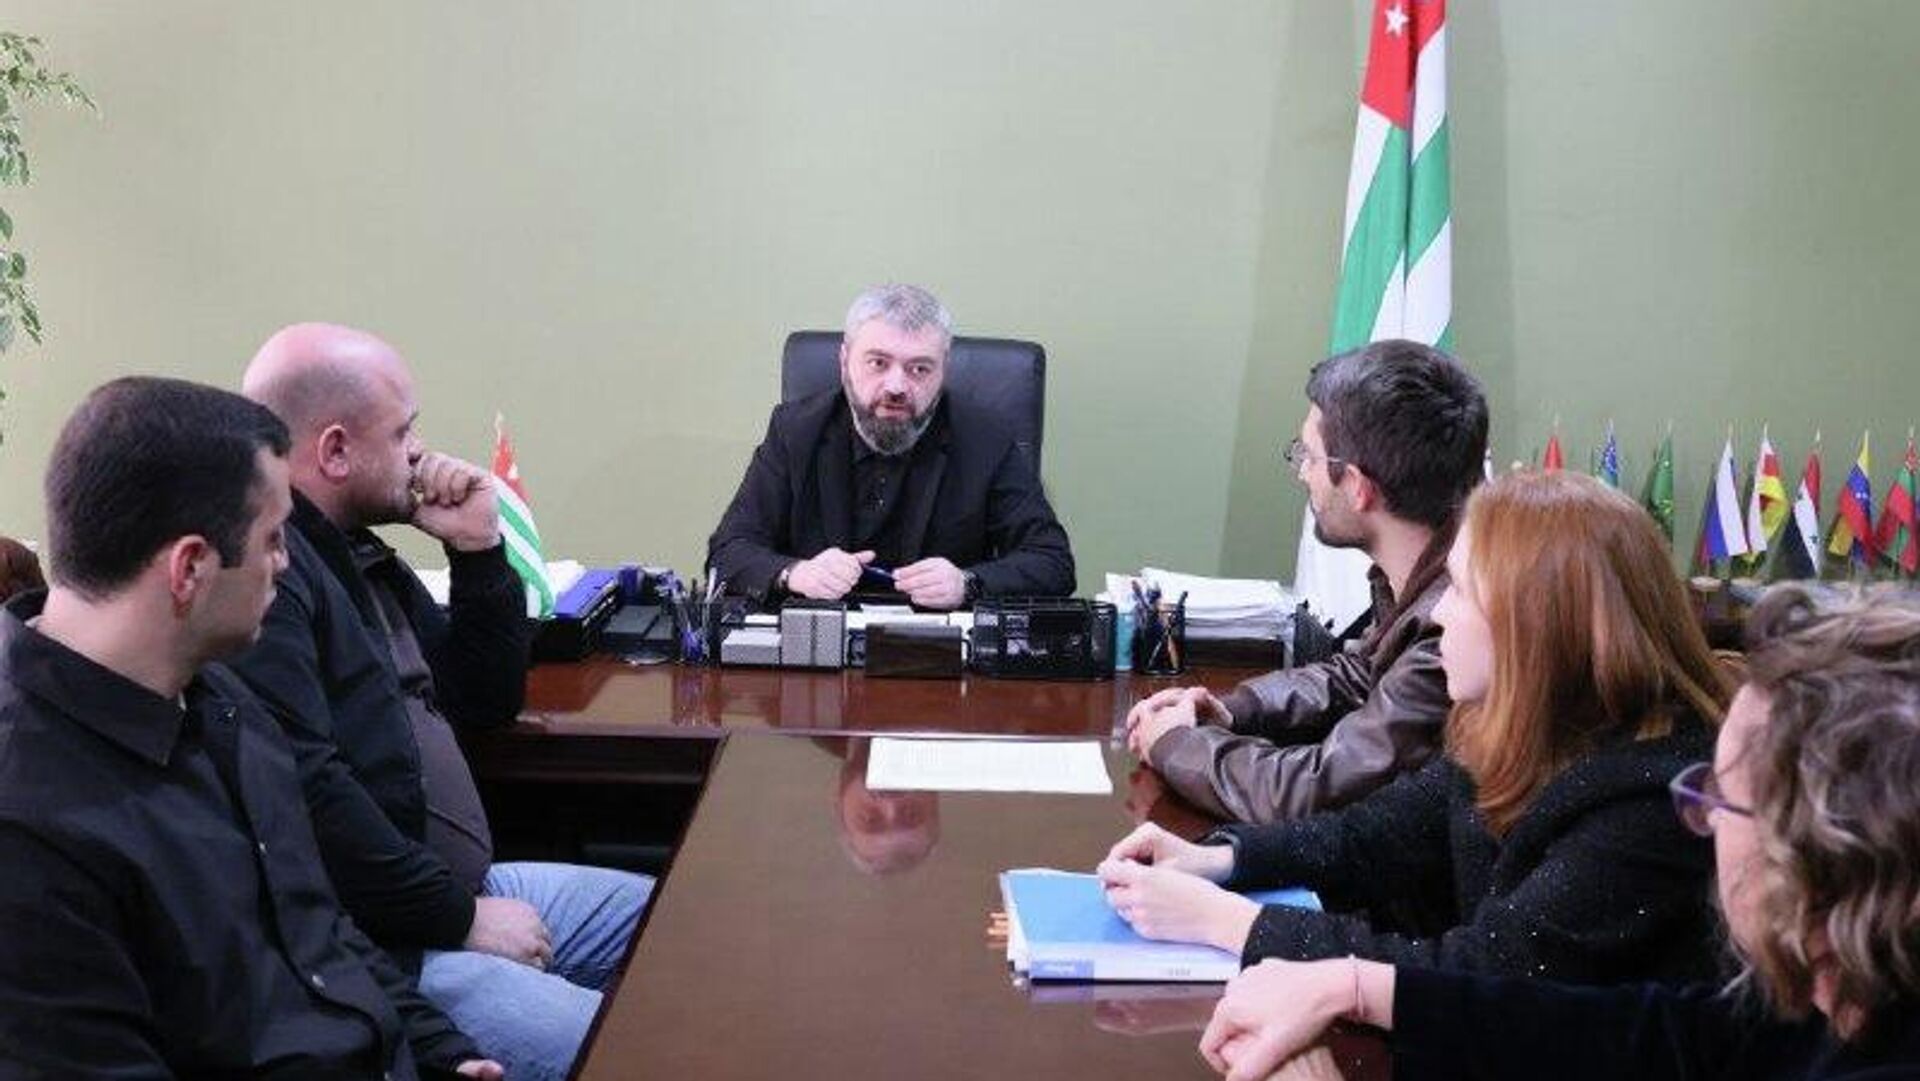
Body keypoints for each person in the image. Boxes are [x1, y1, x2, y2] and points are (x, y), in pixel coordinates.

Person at [1198, 584, 1920, 1081]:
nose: (1701, 819)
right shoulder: (1826, 1003)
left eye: (1721, 796)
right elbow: (1639, 1033)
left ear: (1822, 857)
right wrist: (1352, 986)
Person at [0, 376, 502, 1079]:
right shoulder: (29, 824)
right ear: (190, 568)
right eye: (272, 539)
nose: (286, 563)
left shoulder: (223, 702)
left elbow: (322, 936)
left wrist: (447, 1055)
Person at [1100, 471, 1729, 985]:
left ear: (1538, 627)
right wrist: (1221, 859)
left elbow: (1488, 974)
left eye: (1462, 590)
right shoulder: (1508, 724)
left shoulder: (1654, 801)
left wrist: (1229, 924)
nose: (1441, 615)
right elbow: (1371, 837)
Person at [231, 324, 651, 1081]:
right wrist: (460, 920)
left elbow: (484, 699)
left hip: (461, 892)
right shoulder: (276, 578)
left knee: (690, 923)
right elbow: (310, 793)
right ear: (335, 450)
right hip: (392, 943)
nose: (420, 453)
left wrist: (478, 551)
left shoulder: (358, 552)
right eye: (403, 433)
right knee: (645, 1050)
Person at [1124, 339, 1488, 822]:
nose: (1302, 474)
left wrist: (1175, 744)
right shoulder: (1432, 573)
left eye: (1310, 457)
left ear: (1357, 487)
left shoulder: (1455, 625)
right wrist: (1232, 710)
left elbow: (1314, 790)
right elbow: (1361, 676)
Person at [706, 283, 1075, 610]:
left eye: (919, 369)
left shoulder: (985, 438)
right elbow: (727, 552)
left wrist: (968, 583)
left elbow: (1053, 562)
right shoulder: (795, 431)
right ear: (844, 362)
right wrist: (795, 573)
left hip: (938, 652)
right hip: (818, 645)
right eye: (878, 363)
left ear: (943, 370)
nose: (896, 386)